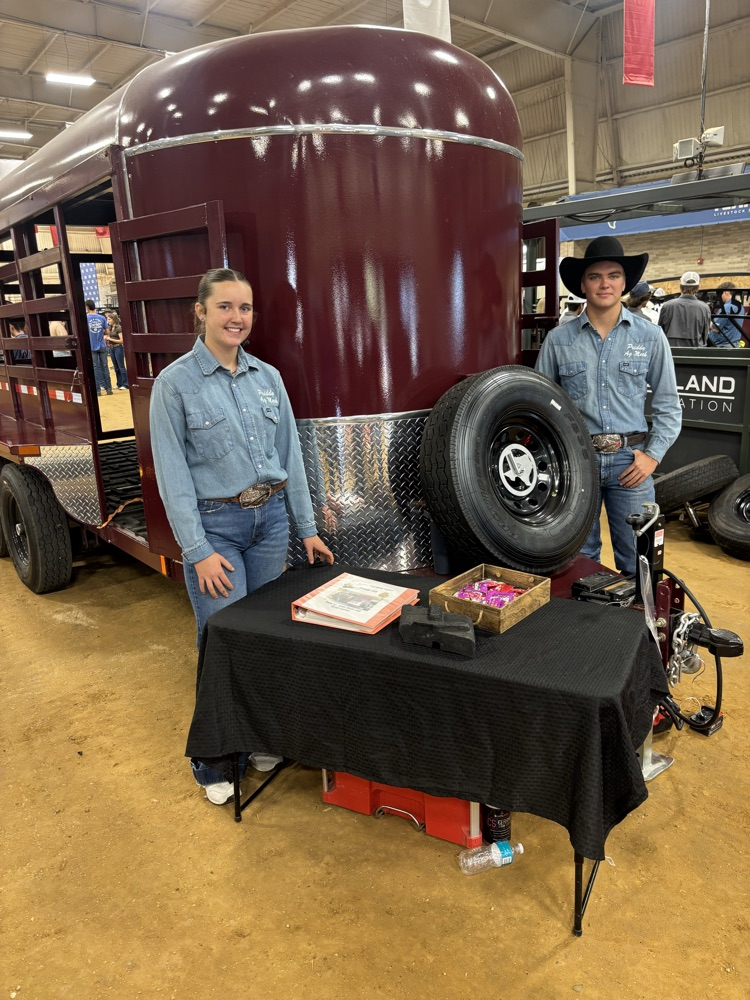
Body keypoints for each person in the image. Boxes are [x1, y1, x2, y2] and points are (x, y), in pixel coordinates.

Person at [149, 266, 334, 805]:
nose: (237, 317)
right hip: (216, 528)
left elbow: (290, 459)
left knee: (264, 636)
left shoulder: (267, 377)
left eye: (245, 308)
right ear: (201, 312)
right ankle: (213, 758)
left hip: (271, 523)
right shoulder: (175, 384)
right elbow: (173, 474)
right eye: (225, 307)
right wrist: (198, 551)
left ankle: (257, 739)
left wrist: (306, 527)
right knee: (222, 636)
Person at [535, 235, 681, 576]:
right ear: (582, 285)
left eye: (613, 275)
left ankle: (638, 626)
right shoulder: (559, 340)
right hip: (576, 462)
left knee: (638, 557)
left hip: (630, 463)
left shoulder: (650, 337)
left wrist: (653, 455)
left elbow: (668, 405)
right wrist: (555, 460)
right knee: (578, 559)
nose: (605, 284)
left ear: (625, 282)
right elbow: (541, 406)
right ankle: (588, 628)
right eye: (595, 276)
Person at [657, 271, 711, 348]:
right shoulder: (704, 308)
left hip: (670, 350)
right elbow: (705, 334)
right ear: (698, 287)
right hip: (695, 351)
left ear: (680, 286)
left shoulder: (667, 306)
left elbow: (660, 331)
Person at [86, 299, 112, 395]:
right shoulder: (102, 318)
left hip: (92, 346)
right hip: (102, 345)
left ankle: (98, 390)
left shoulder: (86, 318)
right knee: (105, 367)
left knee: (95, 368)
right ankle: (109, 388)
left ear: (87, 307)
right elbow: (107, 331)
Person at [708, 282, 745, 348]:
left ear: (726, 292)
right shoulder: (741, 306)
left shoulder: (726, 307)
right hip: (734, 344)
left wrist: (708, 323)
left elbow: (715, 327)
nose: (720, 297)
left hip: (723, 346)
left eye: (720, 294)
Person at [104, 309, 129, 388]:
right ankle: (119, 383)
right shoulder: (110, 328)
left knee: (121, 366)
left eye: (109, 319)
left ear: (113, 320)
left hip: (118, 348)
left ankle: (125, 383)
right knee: (116, 367)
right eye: (107, 319)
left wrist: (110, 339)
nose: (108, 321)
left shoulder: (118, 328)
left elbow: (122, 341)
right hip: (111, 349)